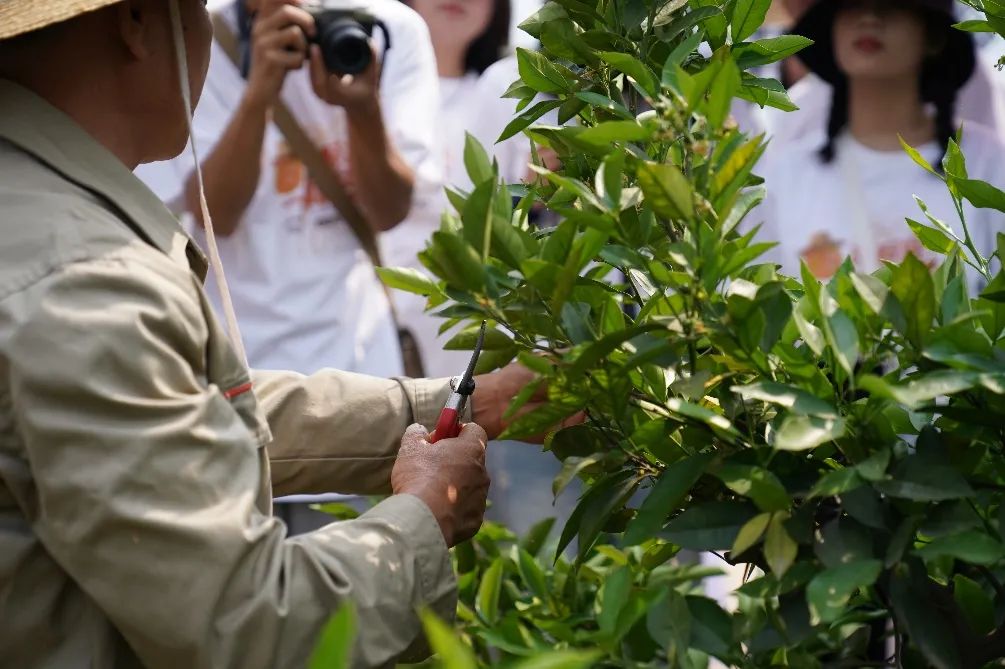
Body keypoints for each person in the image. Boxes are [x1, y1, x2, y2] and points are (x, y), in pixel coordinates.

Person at [0, 1, 542, 666]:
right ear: (138, 21)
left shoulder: (37, 215)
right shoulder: (86, 282)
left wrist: (464, 404)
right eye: (198, 11)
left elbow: (185, 412)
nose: (208, 38)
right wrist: (424, 518)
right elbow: (246, 622)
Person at [136, 0, 440, 379]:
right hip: (243, 365)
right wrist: (259, 95)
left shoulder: (388, 28)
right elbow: (216, 215)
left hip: (363, 361)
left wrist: (364, 112)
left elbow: (390, 212)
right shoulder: (198, 36)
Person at [755, 0, 1004, 280]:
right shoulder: (788, 174)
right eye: (852, 5)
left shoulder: (988, 163)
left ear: (933, 36)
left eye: (891, 4)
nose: (869, 17)